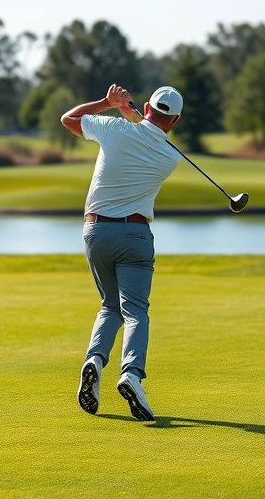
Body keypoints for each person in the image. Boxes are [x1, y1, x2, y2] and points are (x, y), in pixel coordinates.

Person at [60, 83, 184, 421]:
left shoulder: (113, 128)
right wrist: (131, 114)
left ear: (147, 106)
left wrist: (107, 103)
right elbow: (149, 131)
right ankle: (131, 374)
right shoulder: (171, 157)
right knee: (135, 311)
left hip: (95, 231)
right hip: (135, 234)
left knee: (109, 306)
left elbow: (69, 119)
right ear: (175, 121)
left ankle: (95, 360)